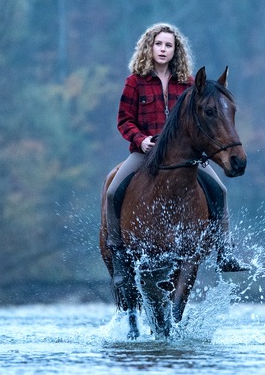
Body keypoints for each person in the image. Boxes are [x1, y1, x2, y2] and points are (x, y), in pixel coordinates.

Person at [106, 22, 248, 272]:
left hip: (185, 156)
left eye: (168, 45)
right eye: (158, 44)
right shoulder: (134, 82)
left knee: (220, 191)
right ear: (149, 48)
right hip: (145, 154)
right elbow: (124, 120)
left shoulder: (188, 83)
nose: (162, 49)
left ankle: (224, 251)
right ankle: (116, 249)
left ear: (176, 51)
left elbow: (201, 121)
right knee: (112, 190)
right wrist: (141, 140)